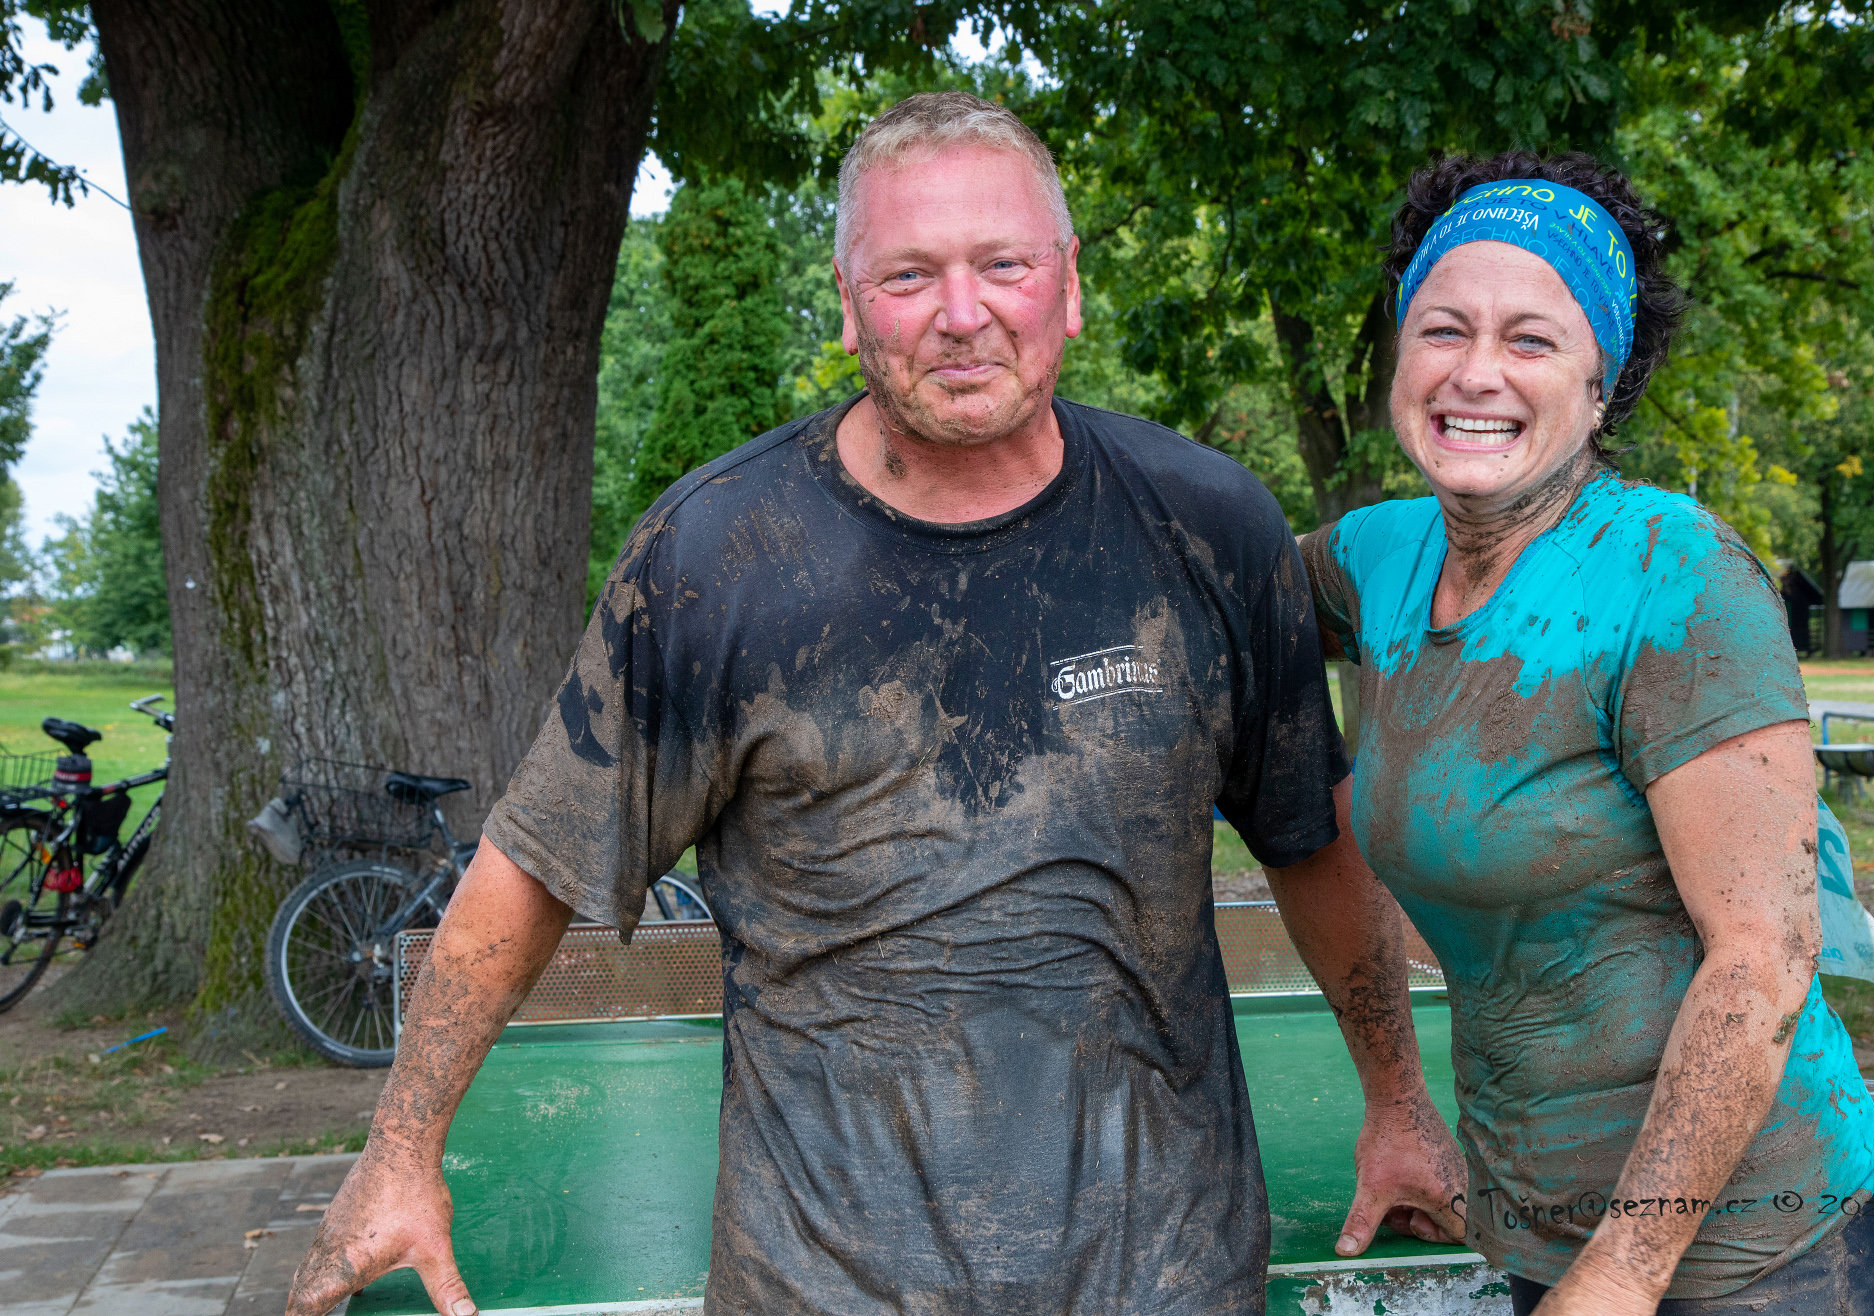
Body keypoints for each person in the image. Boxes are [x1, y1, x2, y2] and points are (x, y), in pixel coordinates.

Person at [286, 92, 1463, 1316]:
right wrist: (399, 1152)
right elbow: (532, 865)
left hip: (1166, 1272)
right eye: (909, 274)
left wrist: (1398, 1101)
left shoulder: (1212, 527)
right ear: (849, 304)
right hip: (825, 1281)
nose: (962, 313)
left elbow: (1312, 842)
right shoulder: (715, 558)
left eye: (1003, 264)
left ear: (1068, 285)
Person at [1302, 151, 1874, 1314]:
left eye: (1530, 339)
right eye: (1441, 329)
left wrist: (1625, 1269)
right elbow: (1206, 582)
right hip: (1541, 1222)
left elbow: (1763, 956)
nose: (1475, 372)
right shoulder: (1375, 558)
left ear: (1601, 384)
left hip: (1760, 1252)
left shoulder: (1677, 576)